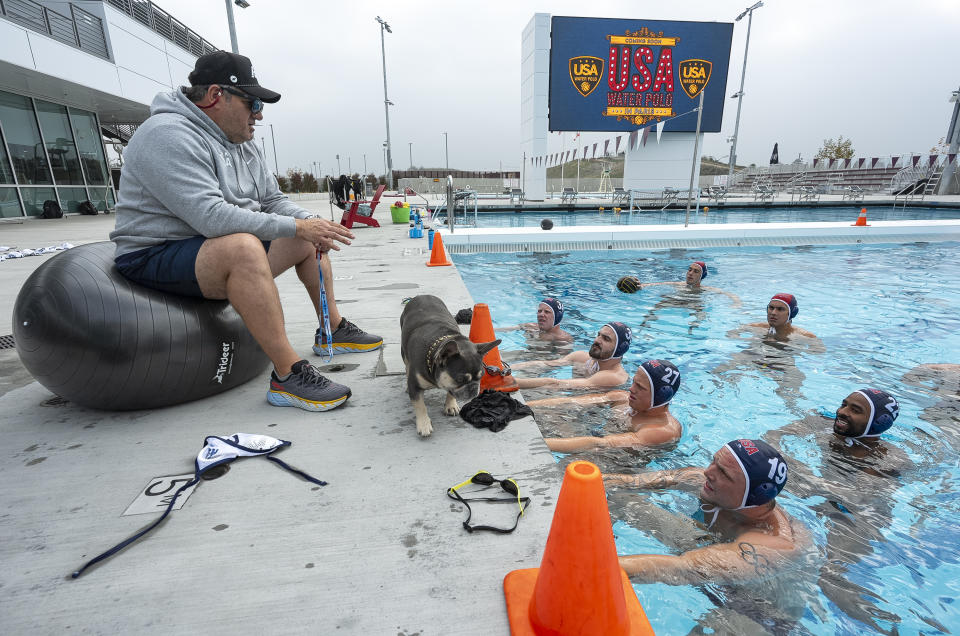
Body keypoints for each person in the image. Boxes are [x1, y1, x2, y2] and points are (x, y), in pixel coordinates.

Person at [109, 51, 382, 412]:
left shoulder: (242, 143)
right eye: (252, 102)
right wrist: (298, 225)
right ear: (215, 97)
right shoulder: (166, 135)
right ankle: (287, 376)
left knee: (303, 238)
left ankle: (331, 328)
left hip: (205, 248)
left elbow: (272, 199)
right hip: (154, 254)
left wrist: (311, 224)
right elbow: (212, 218)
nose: (259, 113)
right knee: (244, 247)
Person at [762, 388, 911, 631]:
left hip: (859, 518)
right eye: (844, 404)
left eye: (855, 410)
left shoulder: (888, 459)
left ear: (878, 422)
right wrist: (797, 471)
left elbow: (858, 497)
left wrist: (805, 478)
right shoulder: (822, 424)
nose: (841, 412)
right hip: (822, 502)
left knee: (830, 578)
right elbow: (772, 436)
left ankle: (886, 628)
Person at [604, 439, 809, 584]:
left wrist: (592, 567)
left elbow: (683, 569)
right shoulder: (706, 480)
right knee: (621, 500)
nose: (708, 472)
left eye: (724, 473)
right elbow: (629, 482)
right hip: (703, 544)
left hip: (751, 607)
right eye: (714, 462)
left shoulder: (773, 546)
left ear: (756, 496)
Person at [529, 359, 682, 452]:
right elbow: (570, 402)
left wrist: (536, 444)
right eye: (634, 382)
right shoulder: (622, 398)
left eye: (640, 387)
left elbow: (601, 444)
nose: (631, 389)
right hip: (593, 437)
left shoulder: (662, 430)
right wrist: (523, 405)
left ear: (661, 396)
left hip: (620, 465)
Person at [510, 322, 632, 390]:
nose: (597, 340)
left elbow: (555, 384)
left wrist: (509, 382)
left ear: (619, 349)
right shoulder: (581, 357)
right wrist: (507, 368)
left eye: (605, 339)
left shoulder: (613, 376)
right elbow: (545, 364)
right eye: (598, 335)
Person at [617, 261, 741, 307]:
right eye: (689, 269)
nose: (690, 273)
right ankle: (648, 321)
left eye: (695, 271)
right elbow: (660, 284)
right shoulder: (679, 284)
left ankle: (694, 327)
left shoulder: (705, 289)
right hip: (678, 302)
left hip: (694, 304)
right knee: (660, 303)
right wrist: (643, 286)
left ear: (701, 276)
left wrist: (736, 304)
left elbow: (729, 294)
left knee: (699, 310)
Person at [740, 293, 816, 342]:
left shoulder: (805, 336)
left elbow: (818, 353)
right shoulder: (755, 327)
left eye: (780, 309)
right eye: (771, 308)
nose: (773, 313)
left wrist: (781, 344)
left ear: (791, 314)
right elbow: (731, 335)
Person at [496, 298, 573, 344]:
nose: (541, 314)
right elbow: (504, 329)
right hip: (524, 354)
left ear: (557, 317)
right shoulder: (531, 327)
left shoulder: (563, 339)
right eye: (539, 311)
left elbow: (560, 363)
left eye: (547, 312)